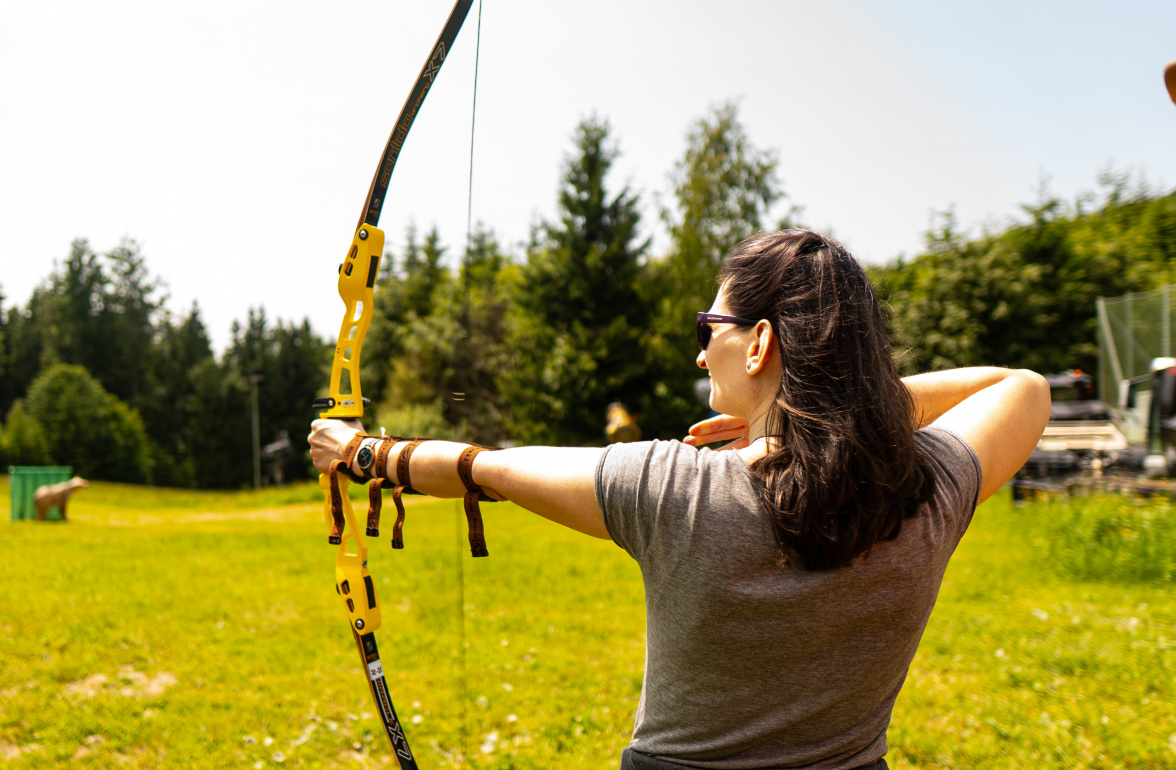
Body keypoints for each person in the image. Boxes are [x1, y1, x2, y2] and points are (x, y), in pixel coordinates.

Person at [309, 229, 1050, 770]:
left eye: (710, 327)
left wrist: (358, 451)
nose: (700, 352)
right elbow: (1020, 386)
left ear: (759, 344)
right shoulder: (931, 489)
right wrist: (839, 409)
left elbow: (486, 469)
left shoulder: (675, 489)